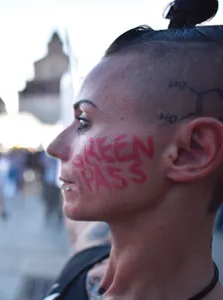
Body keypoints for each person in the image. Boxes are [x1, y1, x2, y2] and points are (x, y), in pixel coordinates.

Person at [44, 0, 223, 299]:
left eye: (85, 121)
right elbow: (77, 230)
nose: (54, 148)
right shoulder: (88, 257)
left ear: (191, 150)